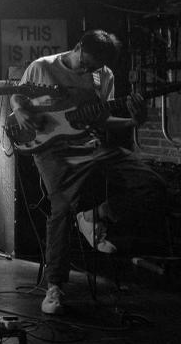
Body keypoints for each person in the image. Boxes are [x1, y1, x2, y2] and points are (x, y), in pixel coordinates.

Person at [10, 29, 167, 315]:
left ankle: (96, 214)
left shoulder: (103, 76)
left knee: (152, 184)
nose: (88, 70)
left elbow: (103, 120)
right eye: (86, 63)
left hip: (89, 144)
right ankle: (55, 286)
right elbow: (17, 98)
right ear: (79, 46)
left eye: (93, 68)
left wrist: (134, 120)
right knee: (62, 207)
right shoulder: (42, 67)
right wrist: (21, 112)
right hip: (52, 149)